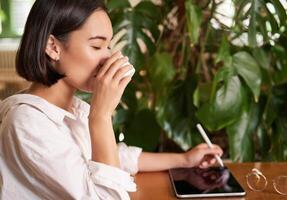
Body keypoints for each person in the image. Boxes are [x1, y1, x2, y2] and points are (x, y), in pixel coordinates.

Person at [0, 0, 223, 199]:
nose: (108, 56)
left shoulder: (72, 109)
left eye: (108, 46)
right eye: (97, 46)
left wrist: (184, 160)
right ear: (53, 47)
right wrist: (101, 116)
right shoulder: (27, 122)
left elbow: (115, 158)